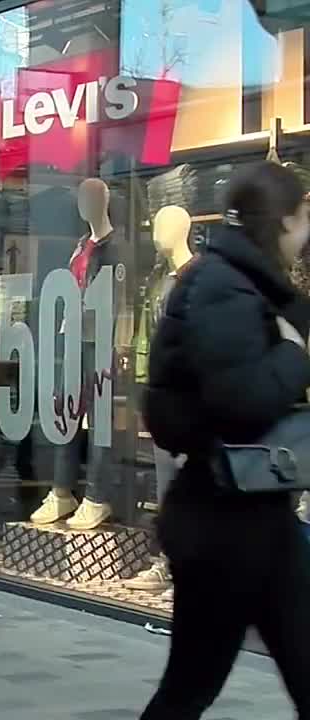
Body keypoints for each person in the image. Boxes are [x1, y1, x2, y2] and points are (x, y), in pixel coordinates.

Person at [140, 161, 310, 719]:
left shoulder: (238, 281)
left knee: (193, 684)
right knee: (189, 686)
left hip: (252, 517)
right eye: (303, 218)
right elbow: (241, 404)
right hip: (226, 523)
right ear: (281, 223)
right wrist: (292, 357)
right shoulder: (225, 288)